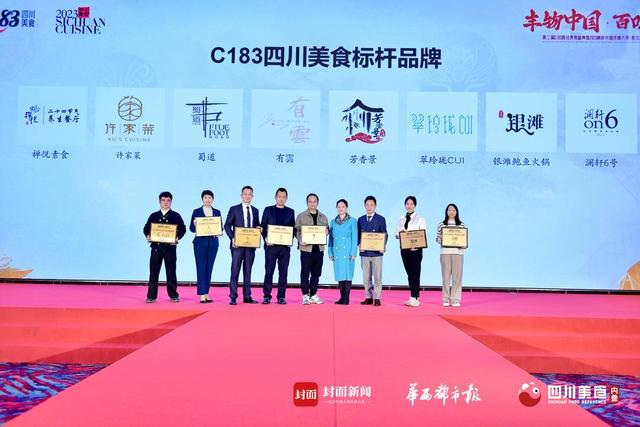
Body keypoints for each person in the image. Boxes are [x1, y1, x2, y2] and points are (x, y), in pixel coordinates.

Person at [143, 191, 186, 303]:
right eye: (163, 200)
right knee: (153, 272)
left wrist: (177, 238)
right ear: (159, 201)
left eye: (168, 200)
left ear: (171, 202)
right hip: (156, 248)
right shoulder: (153, 215)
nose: (166, 202)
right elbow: (146, 228)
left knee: (171, 272)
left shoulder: (176, 216)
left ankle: (173, 295)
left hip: (170, 248)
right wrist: (148, 236)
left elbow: (183, 229)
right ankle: (151, 296)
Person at [224, 186, 261, 305]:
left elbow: (257, 225)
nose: (247, 196)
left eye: (250, 194)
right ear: (241, 195)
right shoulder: (234, 209)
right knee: (235, 271)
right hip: (237, 246)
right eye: (245, 194)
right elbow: (227, 225)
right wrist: (232, 238)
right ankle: (233, 297)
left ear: (252, 196)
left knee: (248, 271)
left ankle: (247, 296)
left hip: (250, 246)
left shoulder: (255, 210)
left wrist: (259, 228)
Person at [260, 187, 295, 305]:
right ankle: (266, 295)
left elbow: (292, 229)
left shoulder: (290, 212)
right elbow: (263, 226)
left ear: (286, 198)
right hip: (271, 247)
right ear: (275, 197)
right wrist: (266, 238)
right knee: (269, 271)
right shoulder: (268, 210)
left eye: (283, 197)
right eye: (279, 196)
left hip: (284, 248)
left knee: (283, 272)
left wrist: (291, 238)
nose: (281, 199)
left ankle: (281, 296)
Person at [295, 193, 329, 305]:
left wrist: (327, 232)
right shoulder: (301, 216)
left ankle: (313, 294)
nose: (312, 203)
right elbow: (296, 231)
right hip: (306, 250)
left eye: (314, 201)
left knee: (316, 273)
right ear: (307, 203)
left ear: (317, 203)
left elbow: (327, 230)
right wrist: (300, 239)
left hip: (319, 250)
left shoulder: (323, 217)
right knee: (305, 272)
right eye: (310, 201)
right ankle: (305, 295)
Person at [189, 190, 222, 303]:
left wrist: (219, 232)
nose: (208, 200)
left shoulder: (217, 212)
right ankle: (202, 294)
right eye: (205, 197)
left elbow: (220, 227)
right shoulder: (196, 211)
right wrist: (194, 224)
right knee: (201, 267)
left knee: (209, 268)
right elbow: (191, 229)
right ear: (202, 199)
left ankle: (207, 292)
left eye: (210, 197)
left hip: (213, 243)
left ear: (213, 199)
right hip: (200, 244)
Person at [395, 196, 427, 307]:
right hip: (404, 249)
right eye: (407, 204)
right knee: (409, 273)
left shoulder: (420, 219)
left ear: (415, 205)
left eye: (411, 204)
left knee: (415, 273)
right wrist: (401, 232)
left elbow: (422, 234)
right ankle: (412, 296)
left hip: (416, 250)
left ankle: (416, 296)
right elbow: (396, 234)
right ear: (405, 205)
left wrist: (416, 244)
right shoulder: (401, 219)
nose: (409, 206)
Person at [357, 196, 387, 306]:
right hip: (364, 252)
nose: (369, 207)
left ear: (375, 206)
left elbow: (384, 234)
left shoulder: (381, 219)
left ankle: (377, 297)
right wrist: (359, 244)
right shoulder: (360, 219)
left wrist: (382, 246)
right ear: (364, 206)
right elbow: (358, 235)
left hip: (377, 253)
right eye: (367, 205)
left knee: (377, 276)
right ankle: (368, 297)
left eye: (372, 205)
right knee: (366, 277)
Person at [328, 199, 358, 305]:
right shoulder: (333, 222)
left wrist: (353, 252)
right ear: (336, 208)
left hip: (348, 252)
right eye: (339, 207)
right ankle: (341, 297)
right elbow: (331, 239)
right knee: (340, 275)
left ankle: (346, 298)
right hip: (337, 252)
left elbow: (355, 238)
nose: (341, 208)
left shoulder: (352, 221)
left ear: (346, 208)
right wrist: (330, 252)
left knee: (348, 275)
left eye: (343, 206)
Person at [436, 203, 466, 307]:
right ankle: (445, 299)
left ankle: (455, 299)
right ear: (446, 212)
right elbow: (437, 239)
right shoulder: (441, 225)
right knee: (445, 277)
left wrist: (463, 244)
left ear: (457, 212)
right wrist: (441, 238)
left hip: (458, 253)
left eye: (454, 210)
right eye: (449, 210)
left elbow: (464, 240)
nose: (451, 212)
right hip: (445, 253)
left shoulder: (461, 225)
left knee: (457, 277)